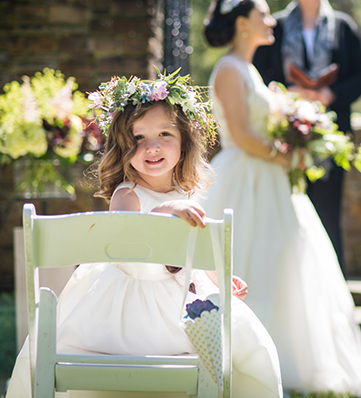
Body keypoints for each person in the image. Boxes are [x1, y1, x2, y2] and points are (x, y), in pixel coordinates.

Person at [6, 74, 282, 398]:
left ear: (184, 141)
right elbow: (127, 247)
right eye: (138, 137)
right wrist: (163, 211)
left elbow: (197, 250)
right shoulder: (128, 195)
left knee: (239, 330)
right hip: (130, 309)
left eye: (164, 134)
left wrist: (219, 278)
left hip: (180, 301)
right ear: (123, 147)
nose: (152, 147)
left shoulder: (185, 193)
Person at [197, 0, 361, 397]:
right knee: (251, 260)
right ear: (241, 24)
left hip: (268, 178)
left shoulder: (248, 69)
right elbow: (240, 135)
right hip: (244, 178)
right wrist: (288, 158)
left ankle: (284, 360)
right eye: (264, 15)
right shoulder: (230, 70)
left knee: (285, 264)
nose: (271, 22)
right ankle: (240, 359)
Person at [252, 0, 361, 272]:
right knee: (288, 211)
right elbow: (260, 76)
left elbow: (360, 79)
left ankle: (332, 285)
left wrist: (329, 95)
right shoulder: (274, 27)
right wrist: (290, 92)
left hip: (330, 137)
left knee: (328, 213)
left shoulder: (344, 27)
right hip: (285, 136)